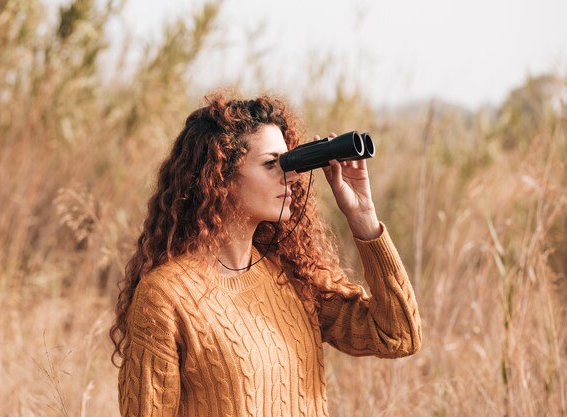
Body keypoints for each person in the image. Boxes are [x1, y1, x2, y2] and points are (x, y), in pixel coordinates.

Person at [110, 92, 422, 417]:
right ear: (220, 178)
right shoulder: (165, 297)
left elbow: (398, 336)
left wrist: (364, 217)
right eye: (272, 163)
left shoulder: (291, 279)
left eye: (289, 162)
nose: (291, 176)